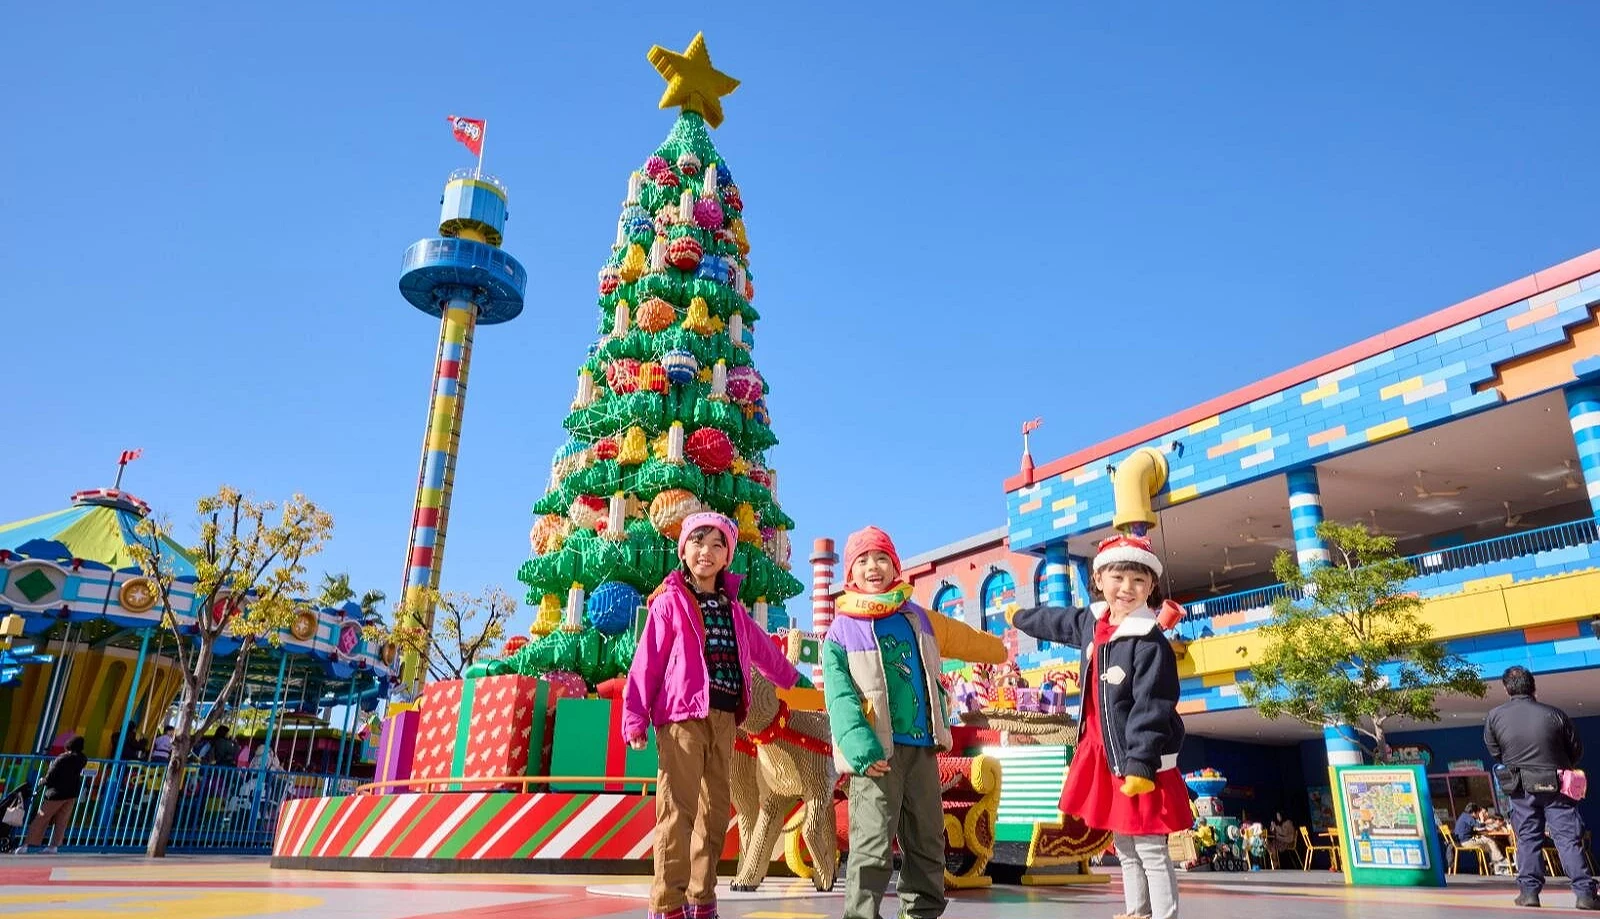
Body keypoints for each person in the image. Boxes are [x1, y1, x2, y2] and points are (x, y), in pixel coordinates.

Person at [622, 511, 809, 919]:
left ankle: (701, 899)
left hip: (725, 719)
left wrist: (791, 677)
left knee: (714, 813)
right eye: (697, 542)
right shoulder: (670, 603)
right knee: (677, 812)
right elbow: (646, 663)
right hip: (682, 719)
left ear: (727, 556)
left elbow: (762, 649)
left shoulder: (734, 610)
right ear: (683, 550)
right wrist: (634, 717)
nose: (706, 551)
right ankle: (668, 903)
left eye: (716, 544)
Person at [822, 525, 1008, 919]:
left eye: (882, 558)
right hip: (876, 754)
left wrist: (999, 650)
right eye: (863, 560)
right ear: (850, 574)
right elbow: (838, 698)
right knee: (871, 845)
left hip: (922, 750)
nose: (874, 567)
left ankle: (922, 912)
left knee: (927, 840)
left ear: (895, 566)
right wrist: (859, 749)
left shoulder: (917, 617)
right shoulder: (842, 630)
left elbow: (963, 637)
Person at [1009, 533, 1191, 919]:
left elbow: (1152, 707)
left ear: (1151, 587)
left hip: (1140, 761)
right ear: (1100, 579)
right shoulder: (1094, 623)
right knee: (1124, 844)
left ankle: (1165, 915)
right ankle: (1136, 911)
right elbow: (1056, 621)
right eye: (1118, 578)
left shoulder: (1149, 642)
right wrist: (1019, 618)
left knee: (1150, 847)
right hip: (1105, 754)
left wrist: (1141, 764)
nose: (1127, 588)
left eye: (1138, 581)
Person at [1485, 665, 1597, 910]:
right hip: (1556, 784)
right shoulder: (1555, 714)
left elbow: (1496, 752)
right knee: (1568, 839)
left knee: (1527, 839)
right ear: (1534, 687)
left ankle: (1529, 893)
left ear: (1506, 689)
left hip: (1520, 787)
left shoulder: (1494, 716)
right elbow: (1575, 750)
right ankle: (1585, 894)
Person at [15, 736, 88, 854]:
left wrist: (42, 781)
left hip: (56, 793)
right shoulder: (82, 759)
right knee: (62, 821)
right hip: (71, 794)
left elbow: (51, 776)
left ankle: (27, 845)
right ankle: (54, 846)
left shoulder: (62, 758)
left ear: (68, 745)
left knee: (41, 818)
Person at [1453, 803, 1510, 875]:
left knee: (1490, 847)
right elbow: (1479, 826)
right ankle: (1501, 860)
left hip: (1465, 841)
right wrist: (1484, 820)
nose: (1478, 815)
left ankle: (1498, 868)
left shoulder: (1463, 816)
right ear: (1474, 812)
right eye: (1478, 813)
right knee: (1489, 840)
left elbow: (1472, 830)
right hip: (1466, 842)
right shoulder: (1468, 817)